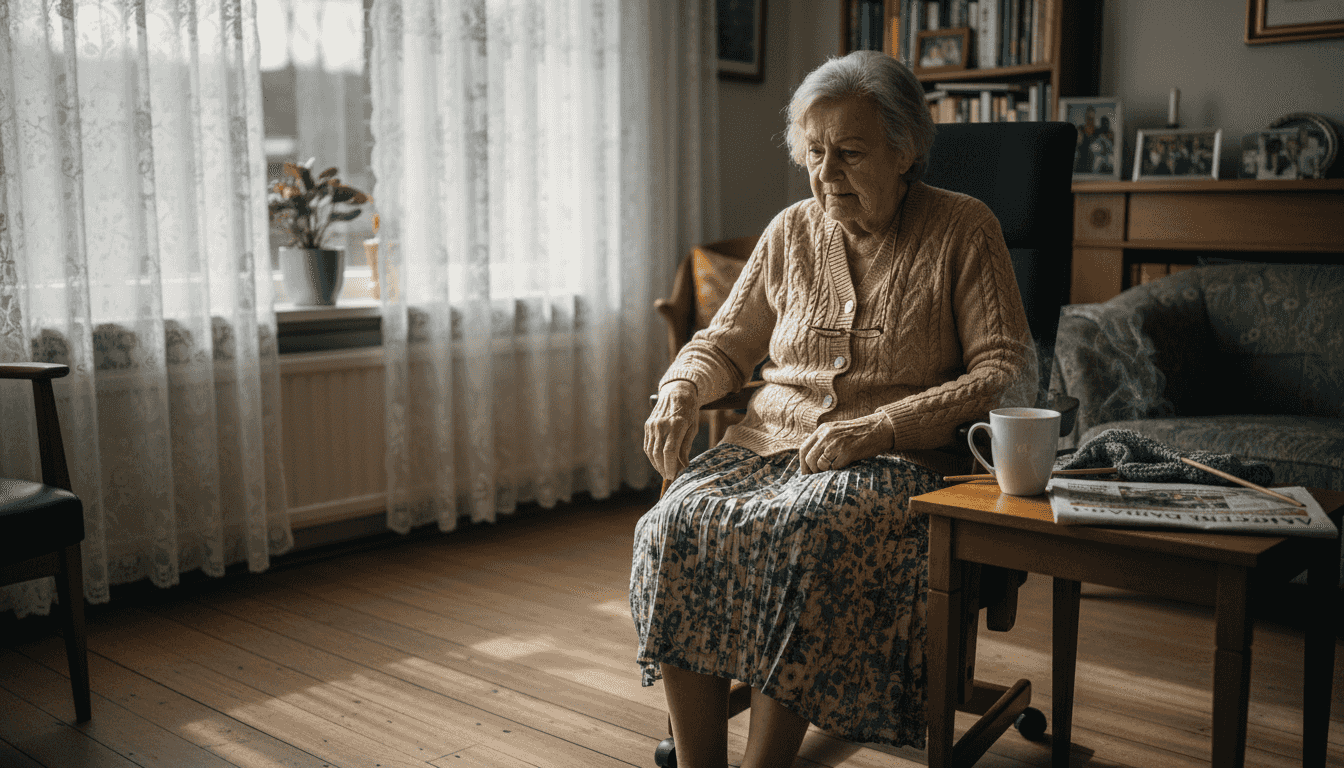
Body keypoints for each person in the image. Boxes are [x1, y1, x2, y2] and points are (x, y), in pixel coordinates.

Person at [631, 51, 1037, 768]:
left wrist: (881, 426)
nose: (826, 174)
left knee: (805, 533)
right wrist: (679, 391)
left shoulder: (964, 229)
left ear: (904, 149)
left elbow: (1004, 371)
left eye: (849, 154)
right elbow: (724, 343)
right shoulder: (790, 232)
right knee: (673, 525)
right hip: (769, 446)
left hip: (898, 461)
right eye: (814, 154)